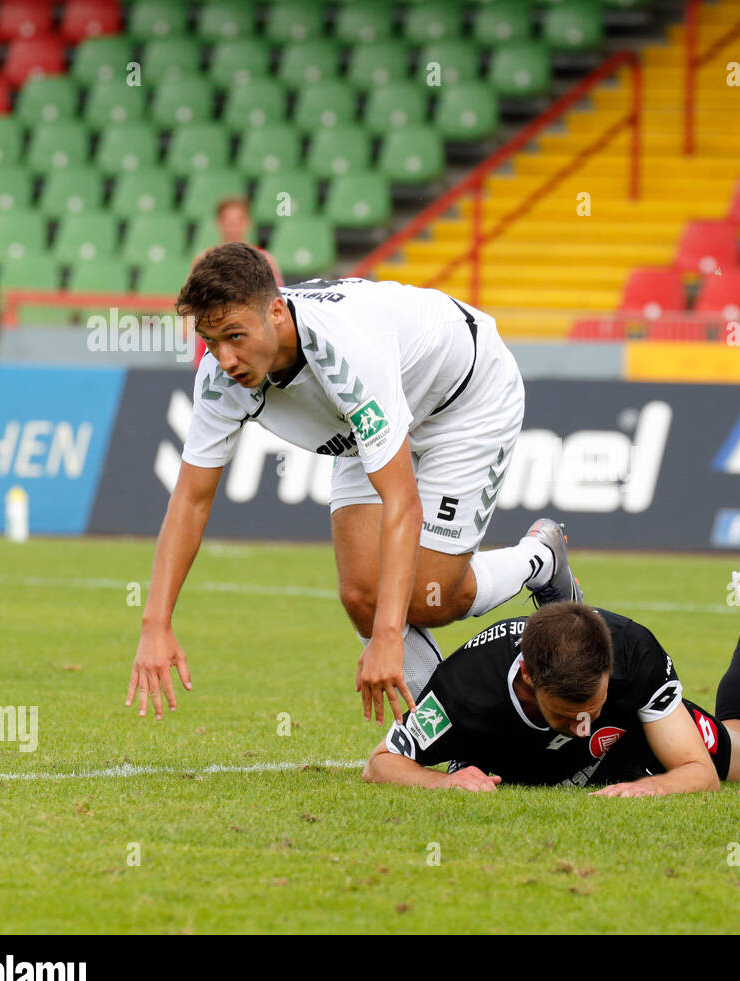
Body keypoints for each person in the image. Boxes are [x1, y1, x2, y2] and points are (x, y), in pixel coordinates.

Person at [126, 243, 582, 724]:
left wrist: (388, 637)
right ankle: (451, 732)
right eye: (210, 340)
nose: (225, 358)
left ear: (276, 311)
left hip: (462, 399)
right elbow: (191, 501)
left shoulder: (345, 353)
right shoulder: (219, 378)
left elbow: (401, 502)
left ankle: (541, 558)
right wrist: (155, 624)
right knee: (362, 595)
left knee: (429, 595)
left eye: (235, 336)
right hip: (366, 424)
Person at [363, 561, 740, 795]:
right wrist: (444, 781)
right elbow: (380, 763)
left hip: (633, 738)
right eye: (567, 716)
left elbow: (700, 774)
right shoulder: (462, 688)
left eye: (593, 709)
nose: (583, 728)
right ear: (529, 678)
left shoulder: (632, 653)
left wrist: (651, 790)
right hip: (521, 758)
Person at [192, 198, 282, 367]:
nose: (233, 227)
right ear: (219, 224)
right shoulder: (203, 261)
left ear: (247, 223)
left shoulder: (264, 260)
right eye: (228, 222)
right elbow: (192, 307)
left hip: (251, 346)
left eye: (237, 221)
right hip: (211, 347)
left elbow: (276, 304)